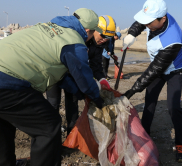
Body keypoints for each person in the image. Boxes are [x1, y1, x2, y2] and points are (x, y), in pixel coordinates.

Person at [0, 8, 105, 166]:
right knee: (48, 127)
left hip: (5, 73)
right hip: (7, 81)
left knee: (4, 121)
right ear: (88, 30)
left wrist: (82, 94)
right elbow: (84, 79)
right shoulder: (74, 42)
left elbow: (60, 77)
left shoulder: (47, 27)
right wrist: (97, 98)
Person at [122, 0, 182, 163]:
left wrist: (132, 90)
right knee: (149, 100)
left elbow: (155, 70)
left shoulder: (172, 40)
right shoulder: (155, 17)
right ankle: (144, 135)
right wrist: (132, 33)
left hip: (174, 68)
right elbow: (140, 21)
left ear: (163, 20)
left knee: (173, 107)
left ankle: (181, 144)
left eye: (149, 23)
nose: (146, 25)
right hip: (158, 64)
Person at [46, 16, 115, 135]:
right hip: (56, 72)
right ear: (94, 30)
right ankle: (52, 137)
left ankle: (71, 135)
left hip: (73, 76)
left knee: (72, 105)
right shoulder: (75, 37)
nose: (104, 40)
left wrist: (102, 78)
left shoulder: (98, 45)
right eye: (103, 36)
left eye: (108, 38)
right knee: (52, 105)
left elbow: (96, 65)